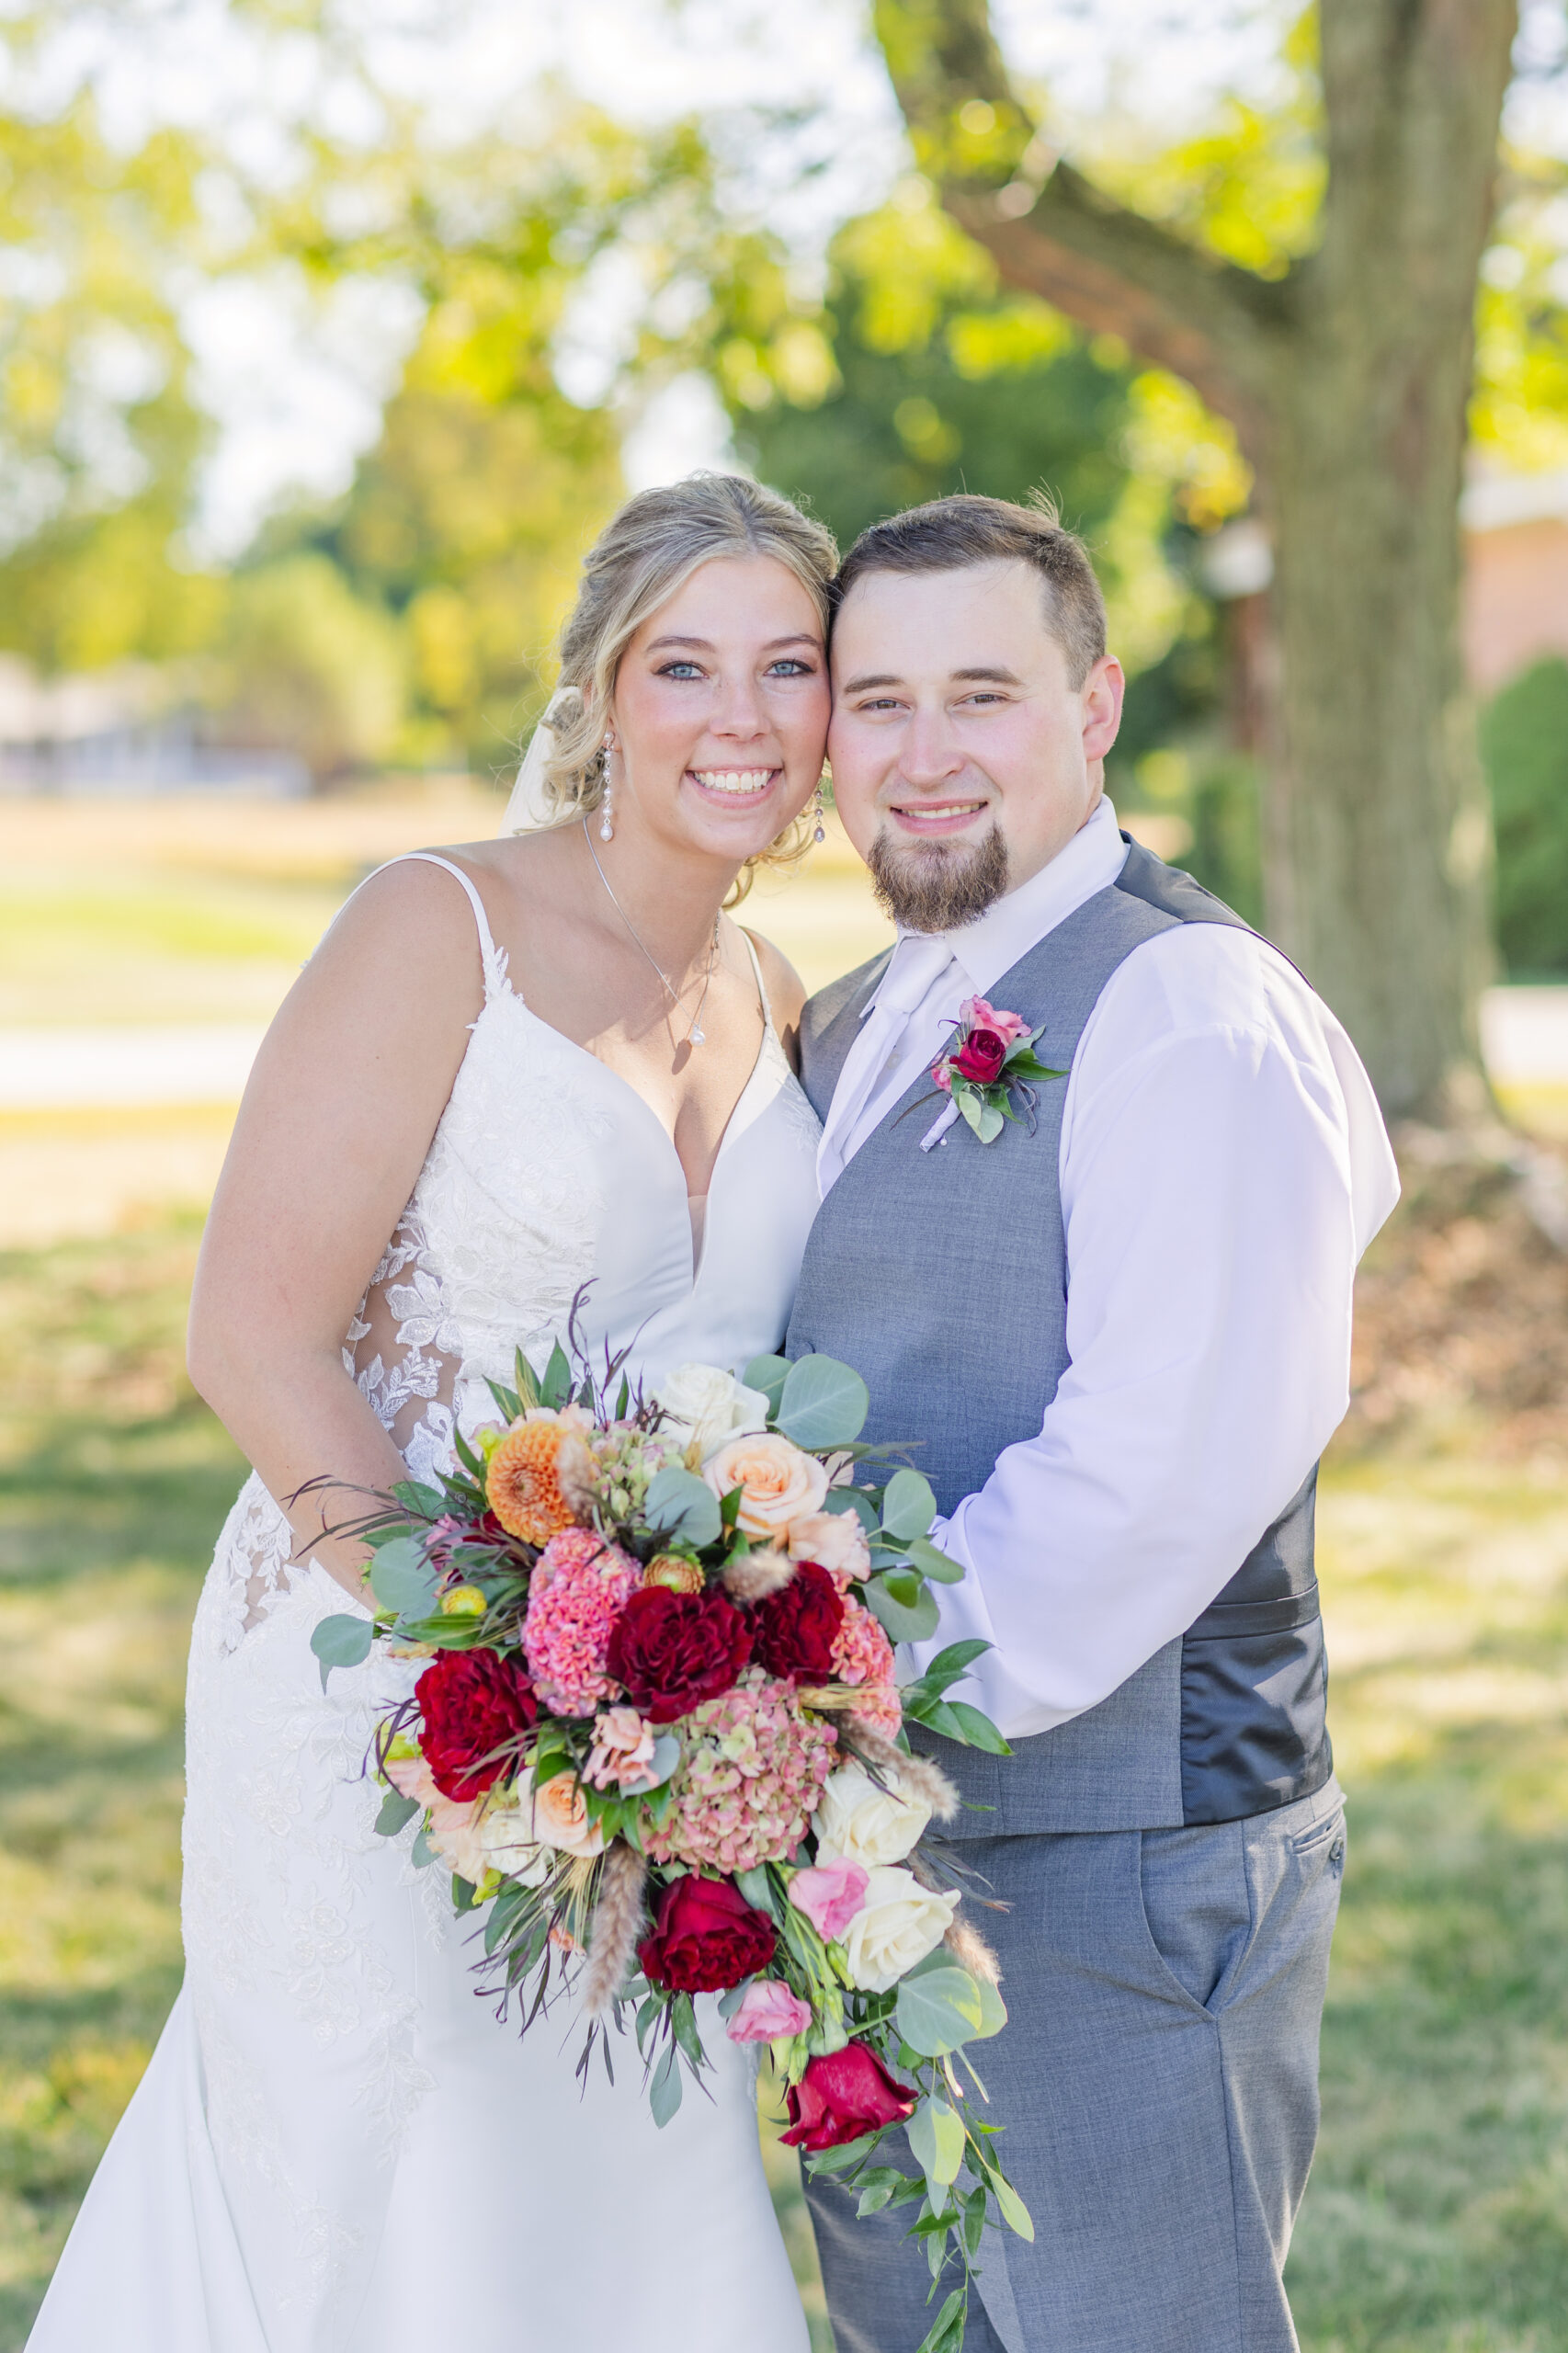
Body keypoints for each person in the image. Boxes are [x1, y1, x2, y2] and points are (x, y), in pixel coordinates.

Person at [27, 473, 834, 2353]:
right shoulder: (434, 926)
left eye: (785, 666)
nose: (739, 714)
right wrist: (499, 1682)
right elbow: (254, 1335)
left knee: (614, 2171)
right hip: (376, 1685)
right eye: (684, 663)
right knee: (404, 2174)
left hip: (651, 1705)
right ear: (601, 692)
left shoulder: (774, 990)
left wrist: (671, 1692)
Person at [787, 493, 1400, 2353]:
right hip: (879, 1841)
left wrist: (803, 1683)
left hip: (1124, 1858)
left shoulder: (1184, 1011)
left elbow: (1156, 1467)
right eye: (875, 699)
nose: (923, 748)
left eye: (981, 691)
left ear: (1097, 703)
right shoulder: (856, 1016)